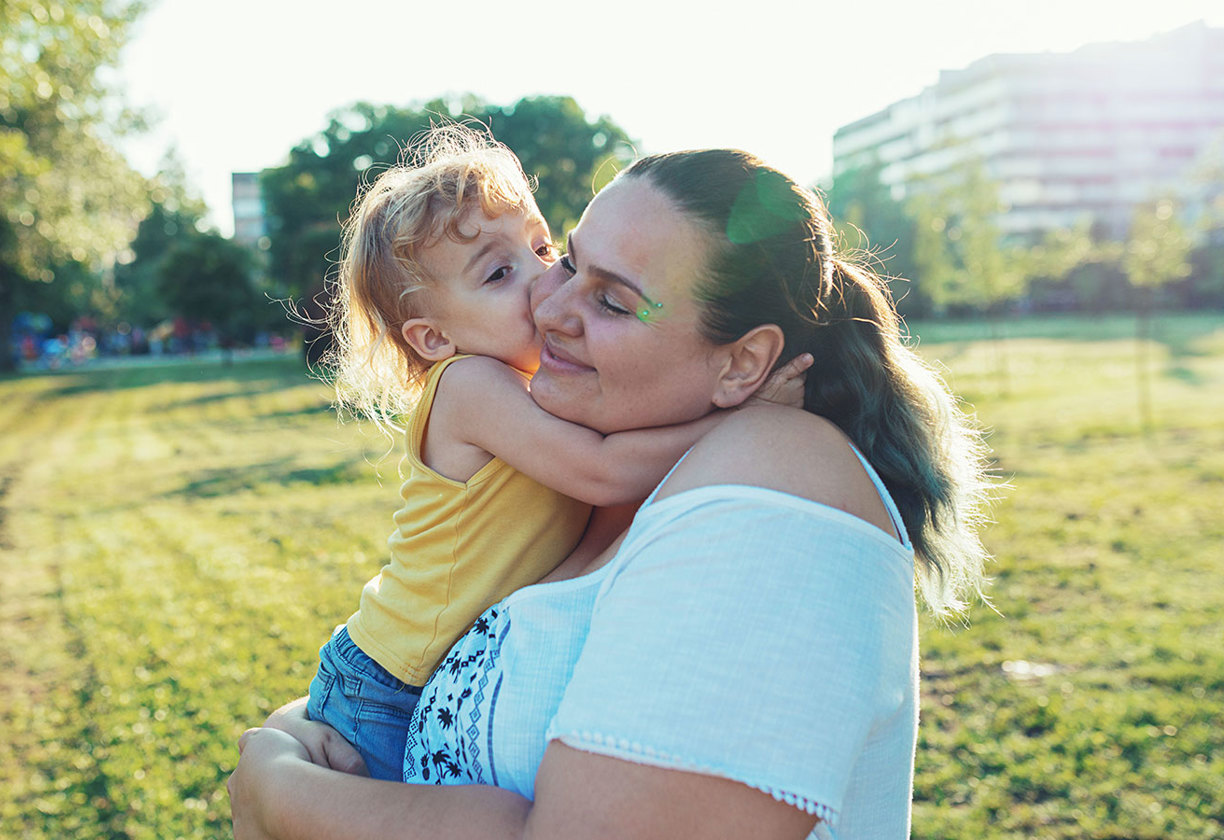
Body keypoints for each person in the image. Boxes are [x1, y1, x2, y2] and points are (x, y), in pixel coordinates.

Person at [230, 148, 993, 840]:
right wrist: (298, 731)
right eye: (572, 265)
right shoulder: (585, 462)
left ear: (742, 365)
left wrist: (280, 794)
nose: (549, 305)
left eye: (614, 301)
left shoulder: (778, 486)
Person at [302, 128, 812, 781]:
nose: (544, 278)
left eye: (543, 247)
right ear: (434, 337)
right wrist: (744, 412)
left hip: (425, 670)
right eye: (498, 272)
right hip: (386, 681)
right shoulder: (469, 386)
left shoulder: (530, 390)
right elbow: (601, 469)